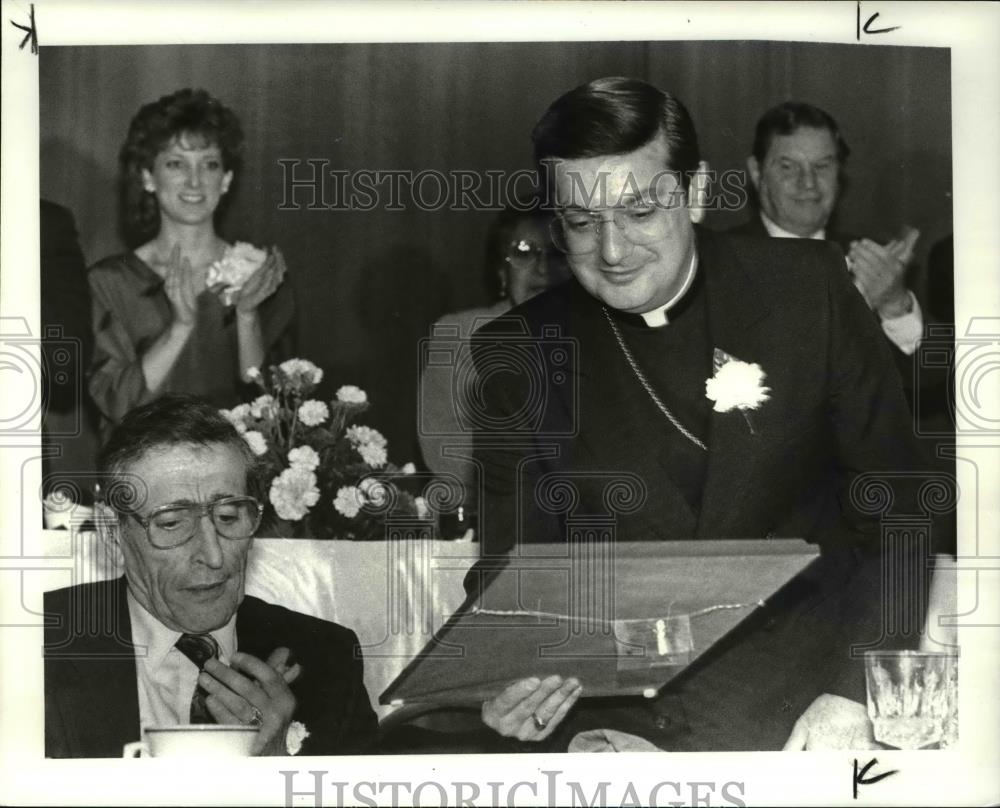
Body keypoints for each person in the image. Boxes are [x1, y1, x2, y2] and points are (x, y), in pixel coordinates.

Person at [469, 78, 943, 752]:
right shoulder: (518, 351)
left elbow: (901, 506)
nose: (611, 250)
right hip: (614, 720)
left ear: (693, 193)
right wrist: (510, 672)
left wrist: (853, 691)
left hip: (808, 705)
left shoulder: (809, 291)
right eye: (580, 222)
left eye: (637, 213)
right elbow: (510, 564)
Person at [44, 394, 377, 757]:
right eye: (172, 523)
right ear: (112, 532)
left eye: (229, 517)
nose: (214, 556)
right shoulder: (38, 645)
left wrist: (279, 771)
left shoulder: (325, 656)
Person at [87, 88, 294, 436]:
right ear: (148, 177)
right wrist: (179, 328)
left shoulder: (261, 278)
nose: (195, 181)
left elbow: (273, 407)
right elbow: (117, 404)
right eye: (175, 164)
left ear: (226, 179)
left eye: (209, 164)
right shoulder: (109, 283)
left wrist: (246, 316)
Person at [733, 101, 924, 362]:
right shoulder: (716, 259)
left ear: (839, 173)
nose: (808, 183)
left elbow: (930, 385)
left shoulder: (880, 265)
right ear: (757, 173)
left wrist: (894, 305)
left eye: (822, 166)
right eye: (788, 167)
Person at [417, 203, 570, 516]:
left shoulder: (609, 333)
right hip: (488, 512)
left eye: (557, 252)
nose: (542, 267)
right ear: (502, 270)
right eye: (525, 251)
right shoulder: (459, 334)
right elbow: (445, 449)